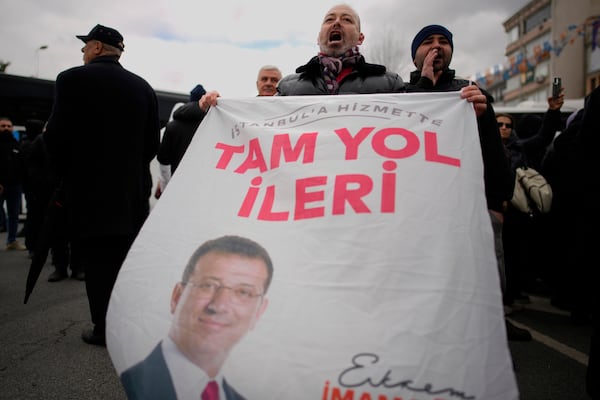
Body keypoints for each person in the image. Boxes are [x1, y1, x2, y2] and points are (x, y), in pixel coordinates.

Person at [43, 24, 160, 346]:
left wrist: (62, 176)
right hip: (130, 194)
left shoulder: (71, 80)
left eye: (85, 47)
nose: (82, 53)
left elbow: (56, 137)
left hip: (89, 192)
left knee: (97, 263)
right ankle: (129, 323)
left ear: (95, 48)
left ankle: (103, 327)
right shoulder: (143, 87)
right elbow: (151, 144)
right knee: (124, 262)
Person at [408, 24, 523, 340]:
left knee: (480, 278)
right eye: (427, 42)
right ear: (414, 54)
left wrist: (497, 203)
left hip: (469, 209)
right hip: (417, 211)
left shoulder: (472, 95)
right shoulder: (401, 96)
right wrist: (425, 90)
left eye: (443, 41)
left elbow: (496, 159)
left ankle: (492, 326)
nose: (436, 47)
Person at [200, 4, 486, 116]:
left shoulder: (387, 83)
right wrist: (218, 109)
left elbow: (421, 121)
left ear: (360, 38)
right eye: (329, 19)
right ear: (320, 35)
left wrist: (461, 110)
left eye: (346, 20)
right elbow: (257, 122)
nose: (336, 23)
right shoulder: (288, 87)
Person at [120, 235, 273, 400]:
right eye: (208, 285)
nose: (220, 305)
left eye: (243, 292)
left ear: (258, 312)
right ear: (177, 297)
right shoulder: (129, 384)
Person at [155, 84, 207, 198]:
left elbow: (163, 161)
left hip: (174, 184)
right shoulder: (208, 127)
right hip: (197, 188)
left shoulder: (172, 126)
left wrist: (165, 186)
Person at [0, 116, 27, 251]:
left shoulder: (17, 145)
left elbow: (22, 166)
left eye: (8, 126)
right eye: (3, 126)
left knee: (14, 215)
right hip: (1, 185)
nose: (6, 128)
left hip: (15, 186)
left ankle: (11, 241)